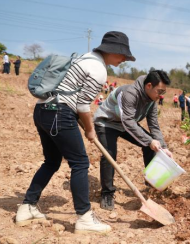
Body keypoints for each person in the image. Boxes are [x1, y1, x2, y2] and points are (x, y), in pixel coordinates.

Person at [16, 31, 135, 233]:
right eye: (122, 55)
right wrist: (90, 130)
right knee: (80, 163)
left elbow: (76, 101)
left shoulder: (84, 57)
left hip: (42, 110)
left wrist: (85, 125)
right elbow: (82, 106)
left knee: (52, 162)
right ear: (112, 51)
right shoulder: (98, 70)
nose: (123, 59)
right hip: (60, 113)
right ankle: (84, 217)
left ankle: (27, 207)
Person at [94, 70, 173, 211]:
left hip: (125, 123)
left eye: (163, 92)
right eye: (159, 91)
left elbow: (153, 124)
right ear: (149, 86)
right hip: (107, 123)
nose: (161, 95)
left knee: (151, 147)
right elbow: (128, 122)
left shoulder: (152, 100)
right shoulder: (130, 93)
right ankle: (107, 194)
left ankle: (152, 185)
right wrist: (149, 140)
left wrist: (163, 147)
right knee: (109, 155)